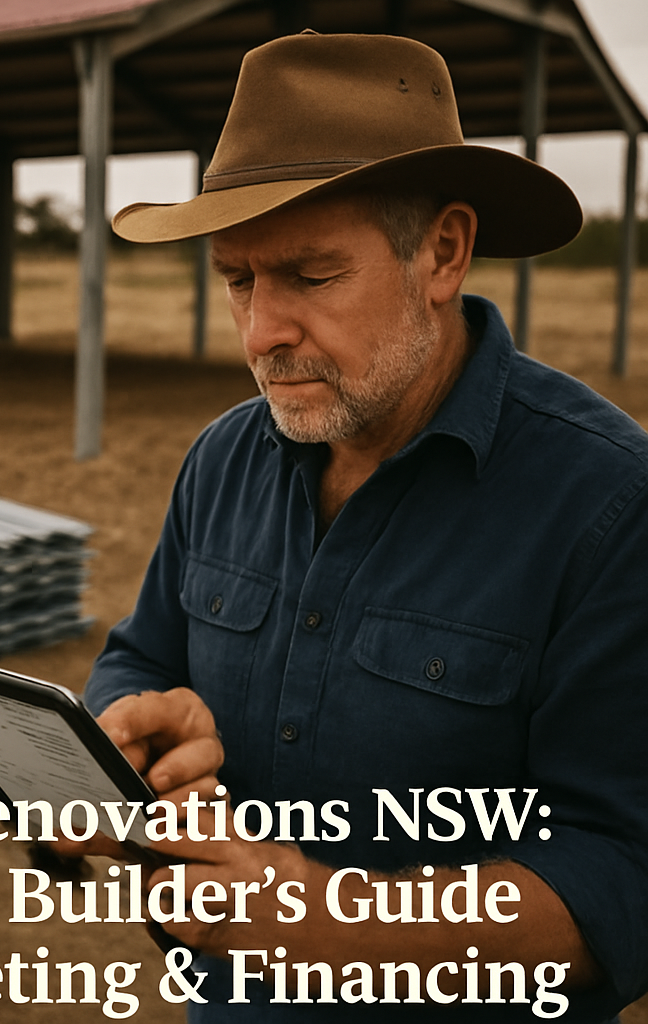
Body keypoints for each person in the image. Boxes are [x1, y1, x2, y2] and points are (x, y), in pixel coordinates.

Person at [76, 30, 648, 1023]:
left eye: (308, 273)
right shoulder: (223, 457)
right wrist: (131, 730)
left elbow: (622, 873)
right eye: (237, 278)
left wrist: (327, 925)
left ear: (442, 250)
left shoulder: (607, 504)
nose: (257, 333)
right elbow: (139, 655)